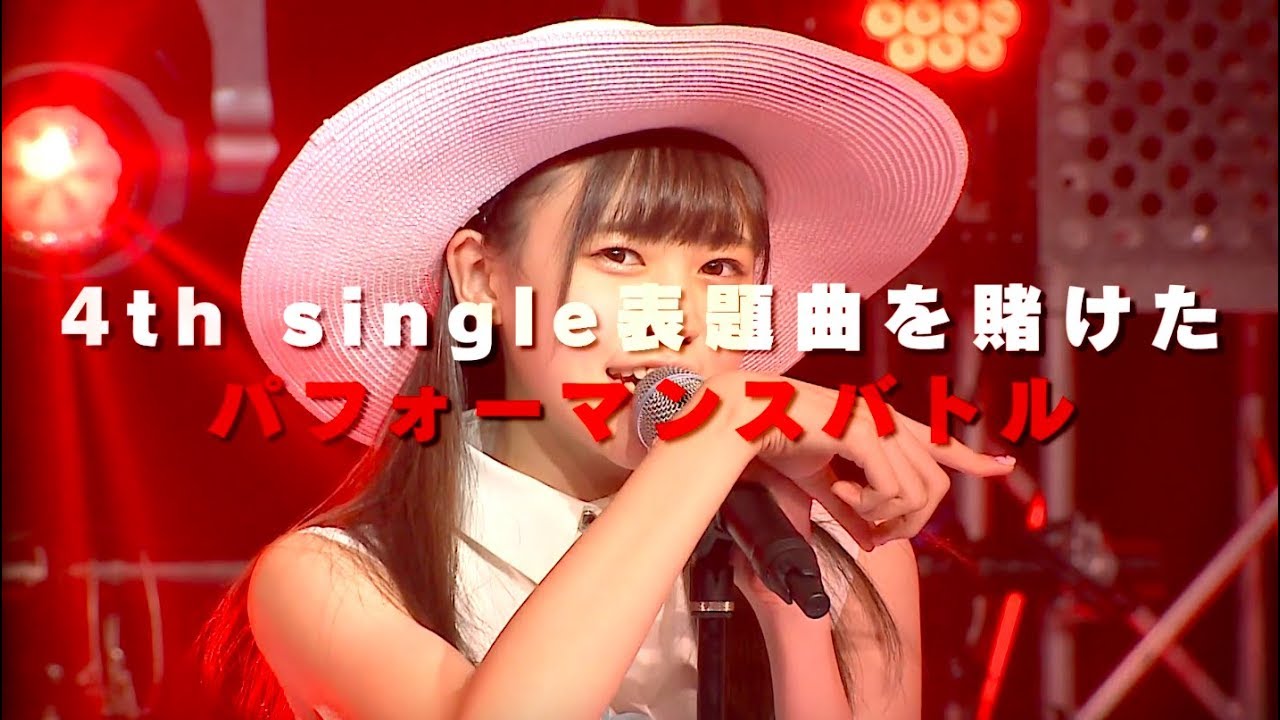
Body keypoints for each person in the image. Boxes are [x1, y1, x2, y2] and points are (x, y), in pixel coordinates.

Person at [200, 19, 1016, 720]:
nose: (678, 316)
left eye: (721, 269)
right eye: (620, 255)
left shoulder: (847, 557)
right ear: (481, 278)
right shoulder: (335, 576)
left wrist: (787, 598)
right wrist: (715, 434)